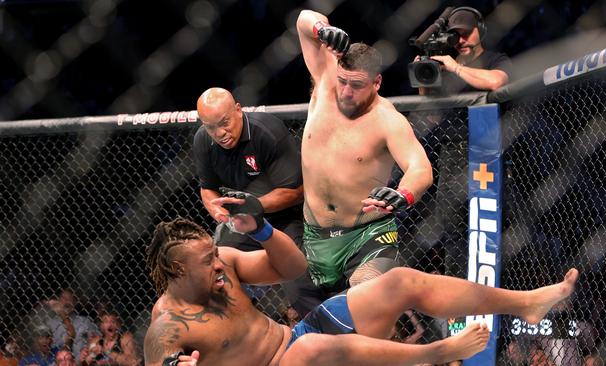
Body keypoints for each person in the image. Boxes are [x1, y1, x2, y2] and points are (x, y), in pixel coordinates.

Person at [142, 190, 579, 366]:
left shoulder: (228, 263)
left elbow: (294, 268)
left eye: (215, 255)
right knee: (311, 347)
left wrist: (262, 230)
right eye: (207, 262)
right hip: (296, 358)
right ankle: (434, 353)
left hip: (298, 338)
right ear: (179, 271)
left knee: (399, 281)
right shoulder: (169, 324)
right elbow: (160, 361)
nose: (219, 264)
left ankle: (525, 303)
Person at [295, 10, 434, 298]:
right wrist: (322, 29)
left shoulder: (387, 120)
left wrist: (404, 194)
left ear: (376, 83)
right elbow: (303, 19)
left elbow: (420, 168)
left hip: (367, 235)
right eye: (343, 81)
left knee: (365, 299)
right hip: (314, 235)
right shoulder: (324, 80)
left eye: (356, 85)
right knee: (312, 327)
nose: (345, 91)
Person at [193, 87, 315, 316]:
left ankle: (330, 337)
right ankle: (235, 334)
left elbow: (296, 191)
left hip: (286, 218)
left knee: (299, 284)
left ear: (238, 110)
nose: (220, 132)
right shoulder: (203, 140)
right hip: (241, 221)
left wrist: (256, 205)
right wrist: (218, 212)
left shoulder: (266, 132)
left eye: (225, 122)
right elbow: (207, 188)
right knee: (212, 270)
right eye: (211, 127)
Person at [418, 6, 512, 95]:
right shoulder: (444, 67)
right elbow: (427, 100)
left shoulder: (496, 59)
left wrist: (456, 68)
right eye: (456, 36)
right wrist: (422, 76)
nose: (461, 41)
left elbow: (497, 82)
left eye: (467, 34)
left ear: (480, 31)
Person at [43, 289, 99, 359]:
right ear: (58, 301)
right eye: (63, 298)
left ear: (75, 303)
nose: (67, 301)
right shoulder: (51, 323)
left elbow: (97, 340)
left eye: (70, 299)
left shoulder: (85, 321)